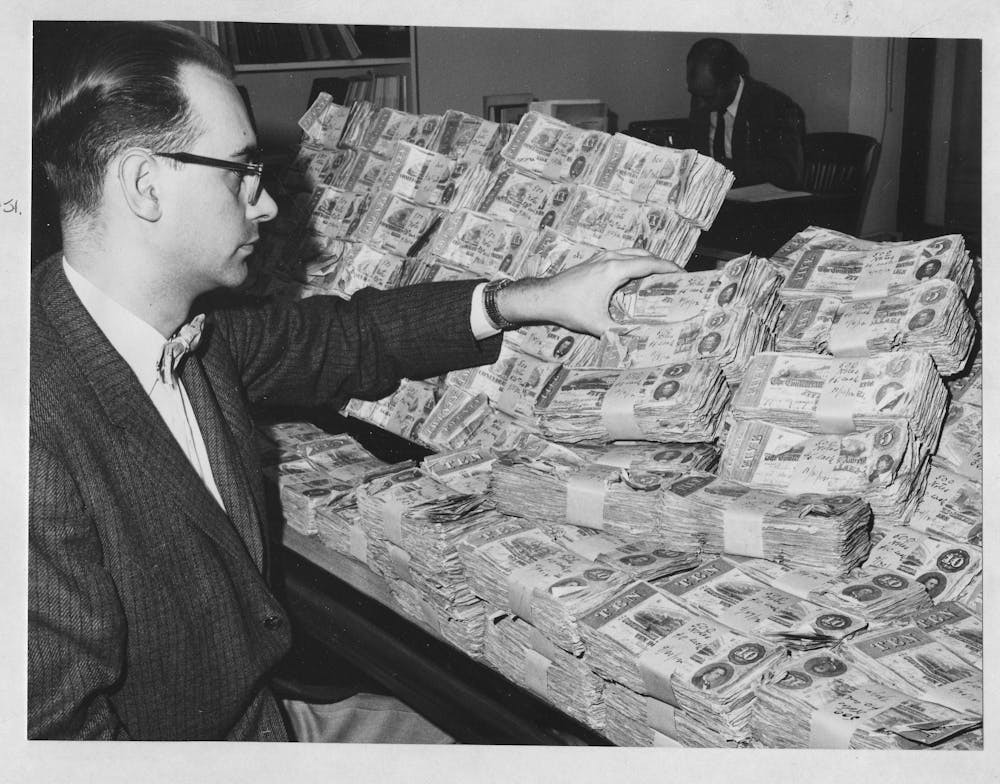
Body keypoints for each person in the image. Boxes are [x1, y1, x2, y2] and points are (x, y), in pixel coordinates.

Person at [29, 21, 681, 741]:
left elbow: (347, 337)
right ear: (146, 184)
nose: (268, 203)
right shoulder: (31, 428)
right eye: (241, 169)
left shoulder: (187, 328)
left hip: (260, 715)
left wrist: (530, 297)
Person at [686, 37, 806, 190]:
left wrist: (722, 169)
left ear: (733, 82)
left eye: (707, 96)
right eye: (694, 93)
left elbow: (789, 173)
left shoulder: (776, 108)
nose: (699, 104)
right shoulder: (702, 98)